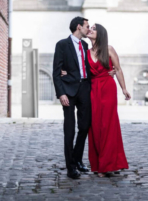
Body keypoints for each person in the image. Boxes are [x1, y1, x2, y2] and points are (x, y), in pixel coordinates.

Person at [61, 23, 130, 177]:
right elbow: (75, 67)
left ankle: (109, 164)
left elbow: (117, 69)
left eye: (93, 28)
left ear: (101, 34)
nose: (90, 30)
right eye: (89, 28)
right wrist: (63, 71)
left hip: (107, 89)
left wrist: (124, 89)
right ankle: (99, 165)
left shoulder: (109, 49)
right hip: (91, 90)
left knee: (109, 125)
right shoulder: (85, 52)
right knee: (95, 126)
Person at [52, 17, 114, 179]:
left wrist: (110, 71)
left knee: (85, 126)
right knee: (69, 129)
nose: (89, 29)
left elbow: (94, 66)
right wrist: (61, 93)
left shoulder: (85, 46)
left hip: (85, 90)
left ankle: (78, 159)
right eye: (87, 26)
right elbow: (56, 71)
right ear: (79, 27)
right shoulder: (62, 45)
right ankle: (70, 166)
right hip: (68, 92)